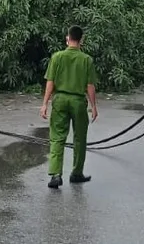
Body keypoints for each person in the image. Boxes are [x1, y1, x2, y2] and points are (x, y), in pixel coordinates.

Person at [40, 25, 99, 189]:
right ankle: (76, 173)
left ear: (68, 38)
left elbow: (50, 82)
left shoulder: (57, 57)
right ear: (82, 40)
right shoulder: (86, 59)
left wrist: (45, 103)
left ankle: (56, 175)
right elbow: (89, 86)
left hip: (59, 100)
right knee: (80, 138)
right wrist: (94, 106)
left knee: (57, 137)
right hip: (78, 102)